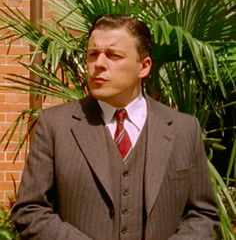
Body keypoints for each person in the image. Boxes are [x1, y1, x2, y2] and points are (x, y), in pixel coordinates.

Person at [12, 14, 219, 240]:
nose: (98, 64)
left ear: (144, 66)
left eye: (113, 55)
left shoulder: (183, 129)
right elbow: (30, 210)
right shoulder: (55, 125)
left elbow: (202, 214)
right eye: (93, 54)